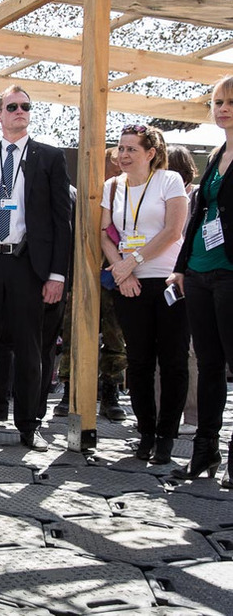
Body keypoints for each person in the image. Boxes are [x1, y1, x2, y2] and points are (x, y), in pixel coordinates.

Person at [0, 85, 72, 451]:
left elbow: (63, 221)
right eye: (11, 106)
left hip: (27, 264)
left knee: (31, 348)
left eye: (25, 106)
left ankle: (30, 424)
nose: (19, 111)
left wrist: (57, 274)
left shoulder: (49, 157)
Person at [101, 124, 188, 464]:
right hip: (129, 283)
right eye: (120, 149)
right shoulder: (111, 187)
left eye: (131, 149)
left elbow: (173, 230)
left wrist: (133, 260)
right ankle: (146, 431)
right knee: (137, 361)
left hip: (168, 282)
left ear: (150, 153)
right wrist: (121, 270)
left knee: (173, 361)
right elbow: (105, 235)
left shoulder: (169, 181)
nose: (123, 155)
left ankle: (167, 435)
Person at [173, 74, 233, 488]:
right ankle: (204, 448)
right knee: (209, 363)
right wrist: (181, 265)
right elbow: (198, 216)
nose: (223, 107)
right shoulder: (216, 154)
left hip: (231, 271)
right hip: (198, 270)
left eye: (230, 100)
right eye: (217, 102)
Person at [53, 147, 128, 422]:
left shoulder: (125, 196)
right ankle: (69, 390)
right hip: (81, 275)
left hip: (114, 276)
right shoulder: (79, 196)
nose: (118, 167)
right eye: (113, 162)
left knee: (114, 337)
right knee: (74, 336)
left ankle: (110, 391)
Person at [167, 144, 200, 435]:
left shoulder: (198, 195)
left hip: (193, 278)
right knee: (164, 350)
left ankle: (192, 416)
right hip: (163, 280)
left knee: (190, 351)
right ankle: (163, 414)